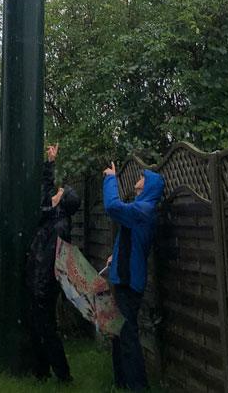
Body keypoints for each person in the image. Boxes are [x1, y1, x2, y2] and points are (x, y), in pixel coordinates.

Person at [102, 162, 164, 391]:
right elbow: (130, 241)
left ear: (148, 187)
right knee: (119, 333)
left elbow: (112, 207)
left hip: (129, 283)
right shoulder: (140, 208)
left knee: (127, 336)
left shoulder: (144, 210)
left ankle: (138, 386)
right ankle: (121, 382)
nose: (138, 180)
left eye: (142, 178)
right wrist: (114, 256)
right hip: (122, 278)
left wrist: (111, 178)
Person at [25, 144, 81, 383]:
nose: (56, 191)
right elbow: (46, 192)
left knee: (47, 331)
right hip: (42, 285)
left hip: (43, 287)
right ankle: (41, 372)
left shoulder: (58, 226)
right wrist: (50, 161)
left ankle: (63, 375)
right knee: (40, 329)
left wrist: (38, 289)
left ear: (62, 202)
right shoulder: (56, 216)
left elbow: (47, 261)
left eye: (60, 192)